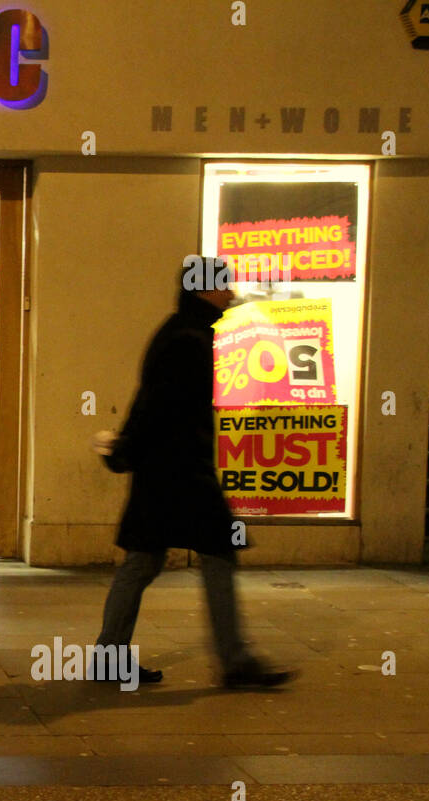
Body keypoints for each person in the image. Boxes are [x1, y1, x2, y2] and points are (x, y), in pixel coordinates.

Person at [90, 256, 295, 689]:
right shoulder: (189, 337)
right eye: (222, 285)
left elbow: (150, 403)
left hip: (167, 473)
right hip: (180, 473)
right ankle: (234, 661)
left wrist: (128, 450)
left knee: (145, 560)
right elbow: (157, 407)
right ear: (203, 289)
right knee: (207, 555)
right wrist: (128, 449)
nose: (230, 291)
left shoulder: (186, 331)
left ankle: (111, 654)